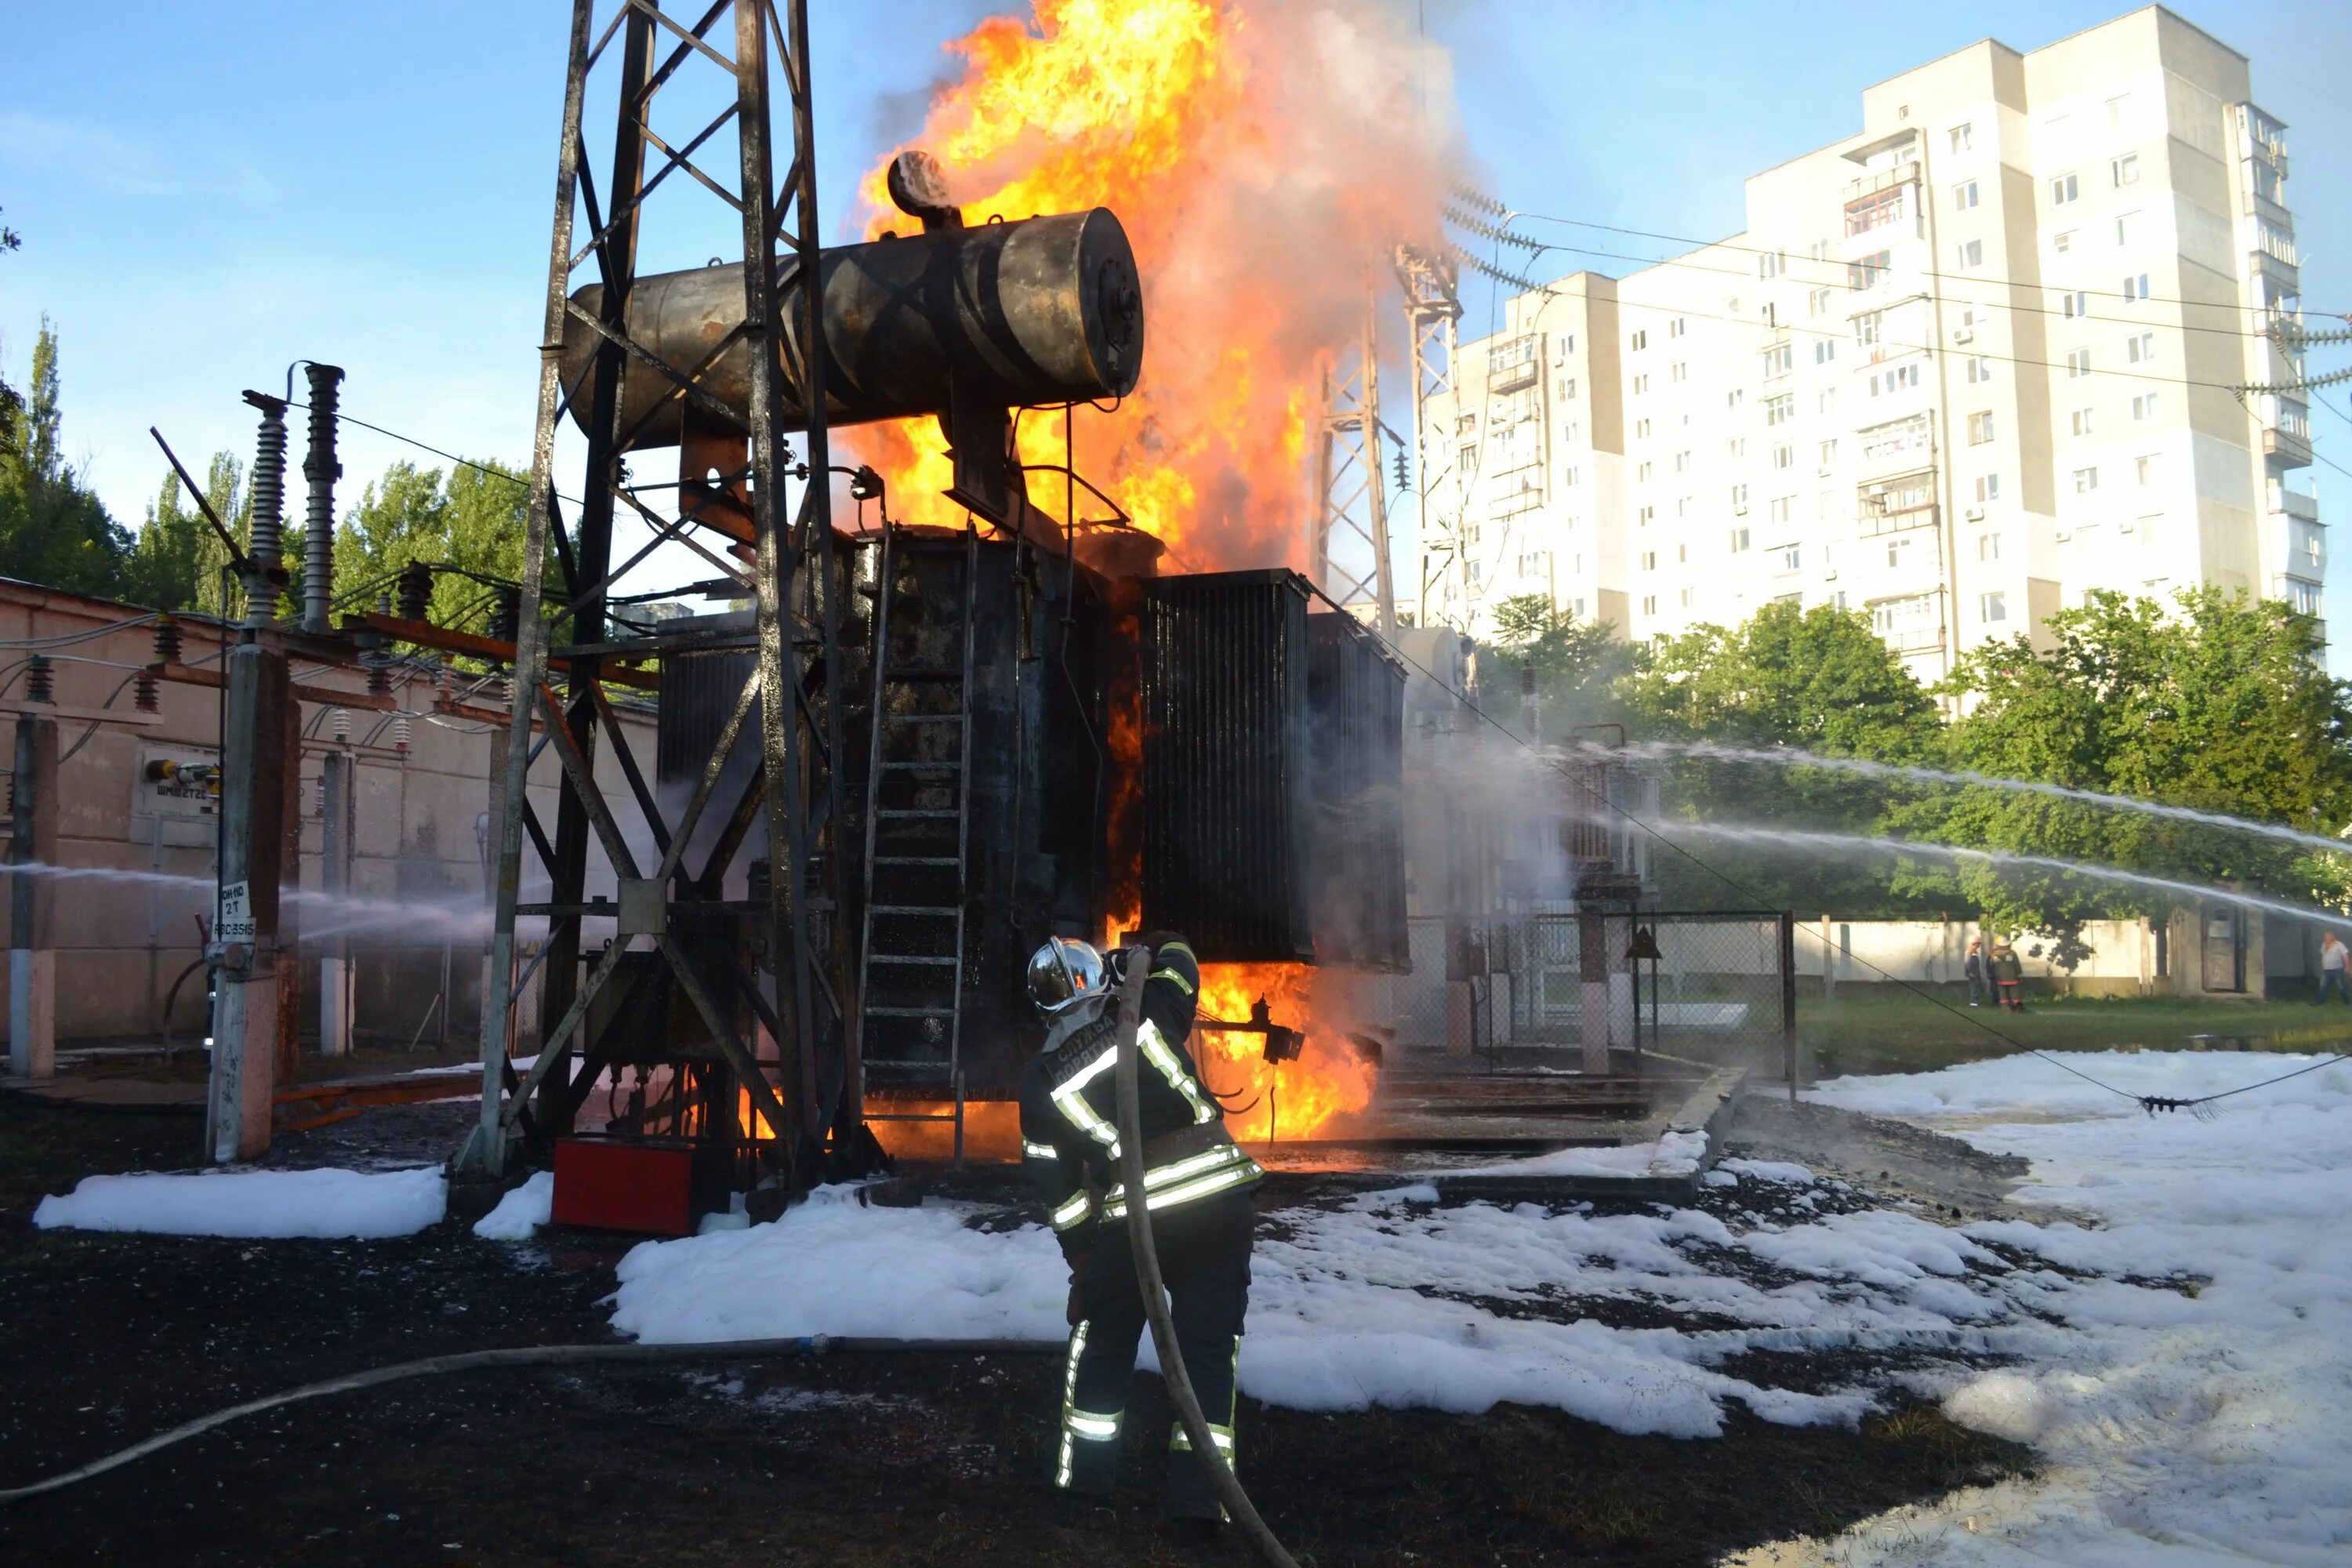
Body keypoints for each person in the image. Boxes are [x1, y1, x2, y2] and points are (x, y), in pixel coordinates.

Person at [1018, 931, 1264, 1524]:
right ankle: (1200, 1502)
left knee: (1102, 1345)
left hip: (1134, 1227)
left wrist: (1084, 1261)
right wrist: (1154, 947)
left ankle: (1085, 1486)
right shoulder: (1149, 1010)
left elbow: (1057, 1189)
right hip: (1217, 1207)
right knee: (1205, 1354)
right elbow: (1183, 963)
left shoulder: (1040, 1081)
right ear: (1102, 977)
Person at [1990, 938, 2025, 1013]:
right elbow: (2017, 965)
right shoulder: (2012, 953)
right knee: (2014, 995)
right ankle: (2016, 1010)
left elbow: (1991, 965)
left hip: (2000, 978)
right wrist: (2020, 975)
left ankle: (2005, 1010)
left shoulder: (1994, 954)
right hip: (2012, 978)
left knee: (2003, 996)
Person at [2318, 931, 2350, 1004]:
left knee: (2341, 986)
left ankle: (2348, 1002)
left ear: (2332, 937)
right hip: (2326, 970)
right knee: (2323, 986)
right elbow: (2323, 955)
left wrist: (2347, 966)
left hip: (2337, 969)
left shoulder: (2339, 944)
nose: (2326, 937)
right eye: (2325, 936)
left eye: (2328, 936)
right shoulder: (2323, 945)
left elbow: (2345, 955)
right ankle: (2320, 1003)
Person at [1963, 935, 1988, 1007]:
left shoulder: (1975, 951)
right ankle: (1973, 1004)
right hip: (1973, 973)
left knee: (1976, 987)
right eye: (1979, 943)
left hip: (1976, 973)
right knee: (1974, 988)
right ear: (1975, 943)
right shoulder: (1970, 950)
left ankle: (1975, 1003)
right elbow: (1967, 963)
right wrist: (1969, 973)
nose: (1979, 945)